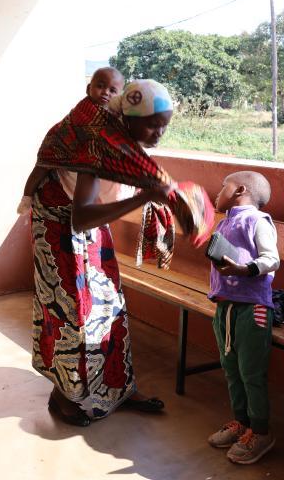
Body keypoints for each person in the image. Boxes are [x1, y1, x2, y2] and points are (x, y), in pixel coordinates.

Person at [30, 79, 214, 427]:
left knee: (110, 304)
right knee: (72, 313)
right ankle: (64, 395)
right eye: (152, 125)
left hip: (87, 224)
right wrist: (146, 197)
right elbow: (82, 217)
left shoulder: (124, 143)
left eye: (164, 125)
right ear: (128, 119)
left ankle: (119, 389)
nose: (159, 133)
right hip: (59, 225)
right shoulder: (97, 147)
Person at [206, 171, 279, 465]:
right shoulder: (224, 222)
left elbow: (272, 259)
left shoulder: (257, 221)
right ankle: (242, 423)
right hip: (225, 308)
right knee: (231, 369)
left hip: (253, 308)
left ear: (240, 190)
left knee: (251, 372)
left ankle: (260, 431)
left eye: (223, 186)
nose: (218, 192)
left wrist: (243, 269)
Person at [16, 66, 124, 215]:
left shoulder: (116, 115)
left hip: (84, 165)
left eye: (112, 90)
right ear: (88, 89)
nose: (106, 92)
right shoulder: (85, 108)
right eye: (100, 86)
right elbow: (86, 131)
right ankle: (26, 196)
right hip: (59, 141)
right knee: (42, 166)